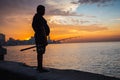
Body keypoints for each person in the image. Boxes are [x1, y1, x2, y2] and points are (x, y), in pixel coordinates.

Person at [32, 5, 50, 72]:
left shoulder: (38, 17)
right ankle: (40, 68)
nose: (44, 11)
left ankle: (40, 67)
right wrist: (44, 39)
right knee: (40, 52)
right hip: (40, 38)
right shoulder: (38, 17)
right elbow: (41, 29)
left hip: (40, 37)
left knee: (40, 52)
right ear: (39, 10)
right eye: (43, 10)